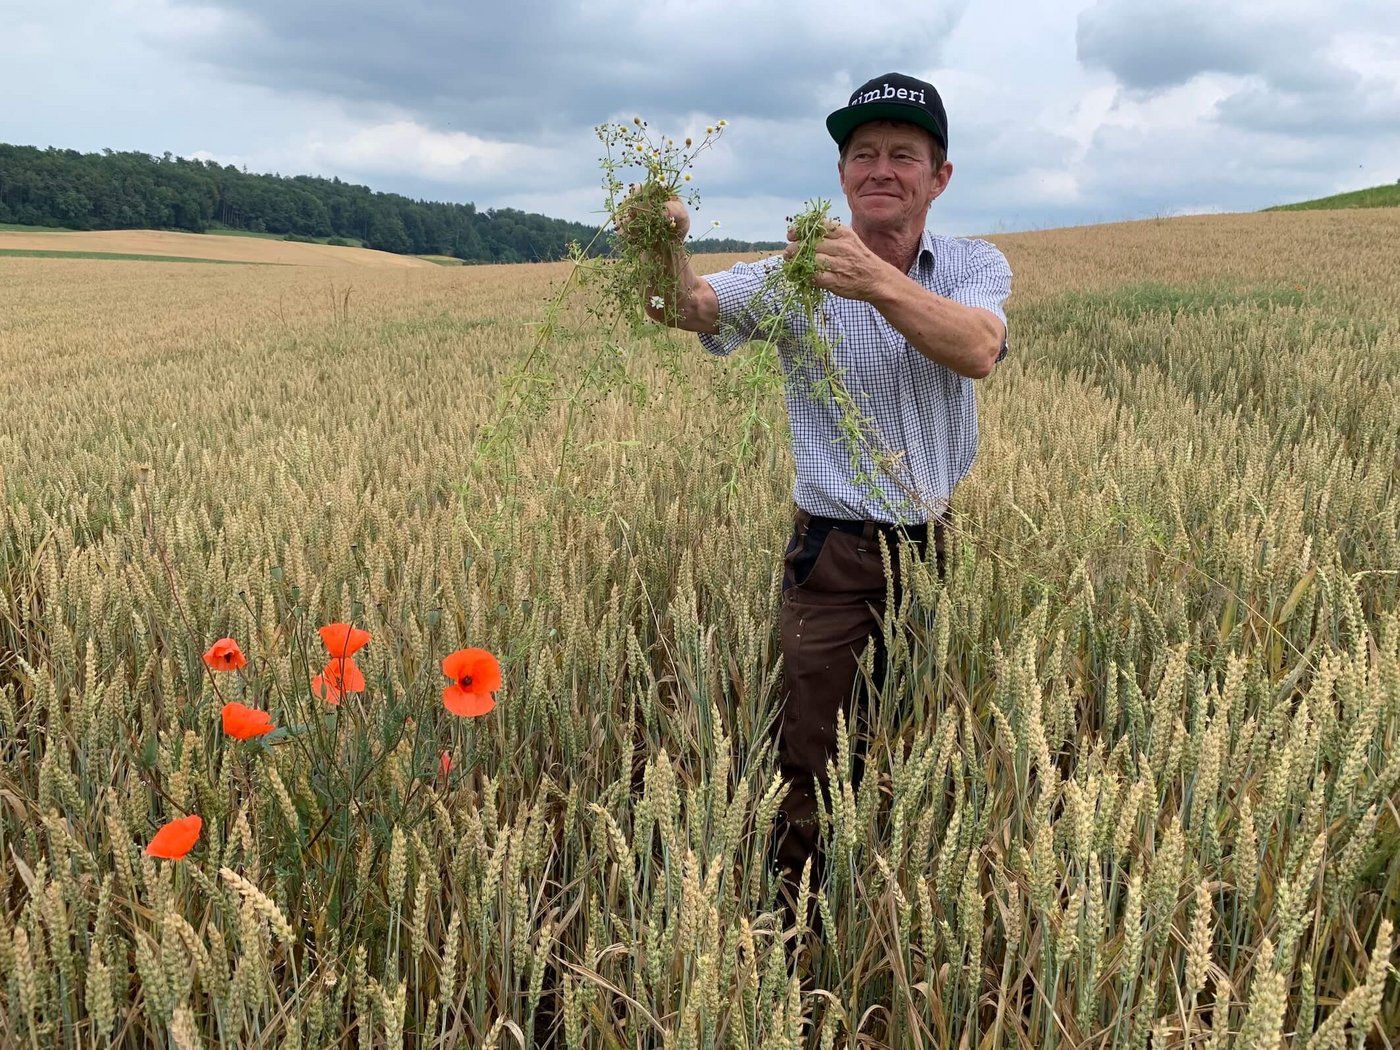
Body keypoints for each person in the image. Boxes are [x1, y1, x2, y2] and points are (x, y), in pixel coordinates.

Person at [635, 72, 1012, 900]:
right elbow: (683, 305)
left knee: (917, 728)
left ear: (939, 177)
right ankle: (794, 926)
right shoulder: (792, 275)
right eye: (864, 154)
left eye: (903, 155)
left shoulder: (975, 267)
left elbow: (978, 349)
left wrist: (874, 283)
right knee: (814, 747)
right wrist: (659, 242)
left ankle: (886, 888)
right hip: (835, 555)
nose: (881, 168)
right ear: (843, 175)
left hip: (937, 544)